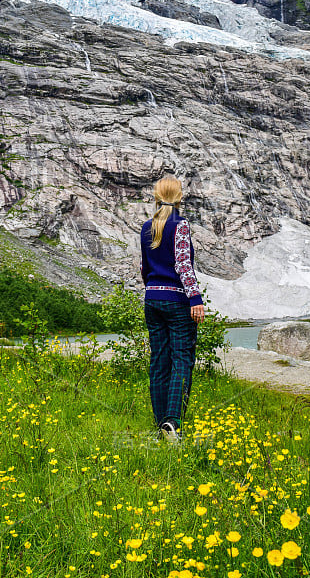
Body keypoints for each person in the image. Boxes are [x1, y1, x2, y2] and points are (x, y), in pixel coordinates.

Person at [139, 175, 205, 443]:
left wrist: (152, 288)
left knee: (159, 360)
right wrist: (195, 298)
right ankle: (172, 423)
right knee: (181, 360)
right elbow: (183, 265)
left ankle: (160, 424)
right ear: (180, 198)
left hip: (152, 299)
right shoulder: (180, 225)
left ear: (156, 196)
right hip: (176, 300)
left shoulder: (146, 227)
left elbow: (144, 268)